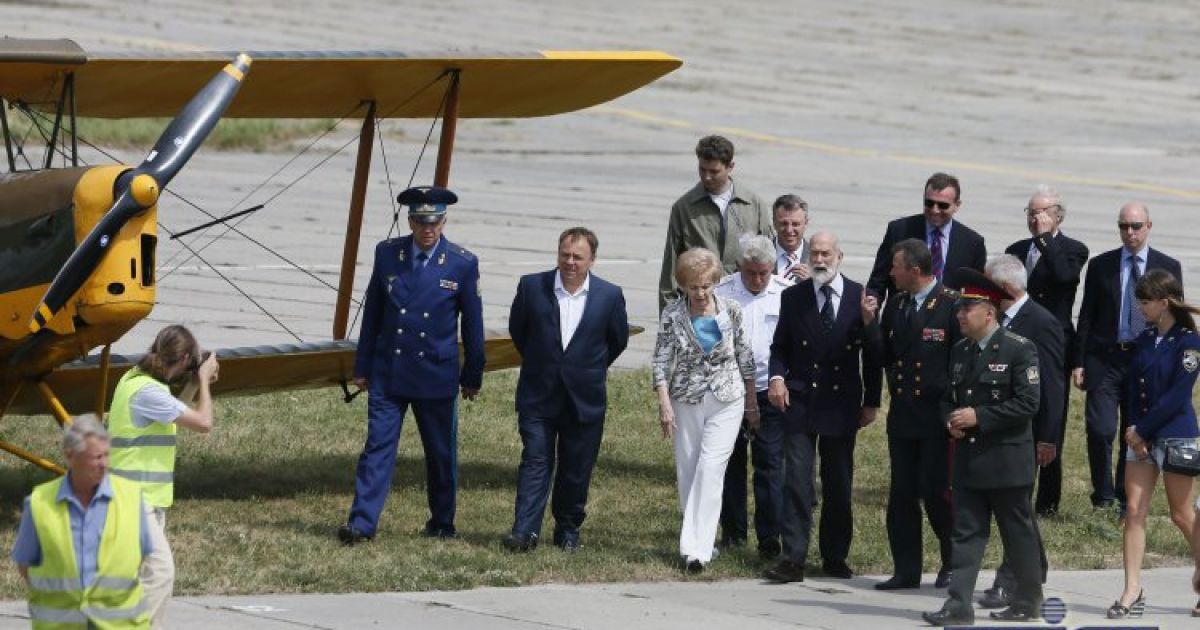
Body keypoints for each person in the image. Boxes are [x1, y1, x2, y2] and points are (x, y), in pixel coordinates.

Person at [340, 185, 485, 544]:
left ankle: (442, 521)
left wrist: (472, 375)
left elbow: (473, 325)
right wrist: (363, 365)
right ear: (410, 220)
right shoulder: (388, 254)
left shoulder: (461, 263)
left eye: (434, 221)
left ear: (444, 220)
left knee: (440, 453)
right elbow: (373, 311)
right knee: (377, 447)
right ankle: (361, 524)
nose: (428, 229)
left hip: (435, 373)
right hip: (390, 371)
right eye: (421, 221)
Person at [923, 268, 1043, 627]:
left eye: (966, 309)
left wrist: (979, 417)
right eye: (959, 309)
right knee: (966, 534)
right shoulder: (960, 351)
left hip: (1007, 461)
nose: (959, 315)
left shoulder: (1019, 349)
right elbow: (947, 399)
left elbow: (1028, 403)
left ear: (989, 312)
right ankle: (959, 606)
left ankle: (1027, 600)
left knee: (1017, 535)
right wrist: (951, 422)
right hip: (970, 463)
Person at [763, 231, 882, 583]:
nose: (819, 260)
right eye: (814, 253)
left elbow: (874, 357)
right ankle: (793, 557)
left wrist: (872, 400)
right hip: (799, 402)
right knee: (797, 482)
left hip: (840, 403)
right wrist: (776, 379)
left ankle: (835, 555)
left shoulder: (860, 297)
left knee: (838, 483)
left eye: (826, 253)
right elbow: (779, 347)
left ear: (839, 257)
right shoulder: (795, 297)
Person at [503, 227, 629, 552]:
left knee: (575, 469)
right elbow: (520, 331)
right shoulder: (532, 287)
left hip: (584, 400)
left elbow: (616, 341)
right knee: (535, 461)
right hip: (539, 395)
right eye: (565, 255)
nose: (570, 262)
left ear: (592, 260)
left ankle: (568, 528)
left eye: (578, 257)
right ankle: (524, 530)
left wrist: (583, 367)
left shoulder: (609, 296)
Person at [107, 324, 218, 628]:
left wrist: (195, 383)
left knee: (133, 579)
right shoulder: (148, 392)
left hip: (139, 499)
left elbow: (176, 410)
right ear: (183, 359)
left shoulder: (135, 381)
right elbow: (203, 422)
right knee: (160, 572)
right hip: (133, 499)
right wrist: (205, 382)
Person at [652, 247, 756, 573]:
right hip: (686, 399)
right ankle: (698, 539)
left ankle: (695, 550)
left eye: (705, 285)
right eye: (693, 286)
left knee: (711, 470)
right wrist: (665, 404)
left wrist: (752, 402)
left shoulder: (732, 310)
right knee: (688, 469)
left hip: (727, 399)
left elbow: (745, 357)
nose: (699, 293)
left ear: (715, 283)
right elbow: (660, 361)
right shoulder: (673, 314)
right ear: (683, 286)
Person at [1074, 202, 1182, 512]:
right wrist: (1079, 361)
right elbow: (1087, 316)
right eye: (1124, 226)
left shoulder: (1167, 266)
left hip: (1144, 361)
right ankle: (1102, 495)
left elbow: (1175, 317)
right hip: (1105, 359)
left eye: (1135, 226)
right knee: (1100, 428)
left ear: (1149, 226)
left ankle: (1124, 495)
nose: (1130, 232)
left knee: (1132, 431)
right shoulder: (1101, 265)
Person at [1106, 269, 1200, 620]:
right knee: (1133, 511)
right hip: (1140, 437)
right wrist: (1133, 430)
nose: (1140, 307)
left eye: (1145, 302)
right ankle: (1132, 590)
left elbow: (1177, 396)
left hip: (1175, 434)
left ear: (1164, 303)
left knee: (1181, 514)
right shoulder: (1144, 339)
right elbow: (1135, 389)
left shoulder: (1190, 343)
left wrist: (1142, 430)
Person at [978, 254, 1066, 609]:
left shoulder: (1041, 322)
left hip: (1029, 433)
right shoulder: (997, 321)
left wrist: (1049, 437)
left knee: (1014, 509)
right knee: (1017, 509)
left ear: (1004, 288)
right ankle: (1035, 568)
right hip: (1002, 429)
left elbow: (1054, 385)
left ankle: (1011, 579)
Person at [12, 415, 153, 628]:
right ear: (70, 456)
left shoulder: (132, 498)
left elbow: (142, 555)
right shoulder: (39, 503)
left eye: (107, 455)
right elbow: (25, 565)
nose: (104, 464)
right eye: (96, 457)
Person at [875, 238, 958, 591]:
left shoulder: (951, 306)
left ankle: (954, 562)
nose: (890, 272)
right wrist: (867, 324)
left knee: (937, 492)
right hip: (904, 416)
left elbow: (962, 362)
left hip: (936, 419)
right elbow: (885, 353)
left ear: (914, 270)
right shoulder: (896, 305)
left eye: (895, 266)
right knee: (903, 495)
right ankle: (906, 569)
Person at [1004, 185, 1088, 517]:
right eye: (1029, 212)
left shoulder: (1073, 249)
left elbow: (1065, 276)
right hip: (1018, 341)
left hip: (1053, 344)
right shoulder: (1016, 249)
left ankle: (1048, 502)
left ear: (1057, 215)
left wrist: (1044, 239)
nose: (1033, 218)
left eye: (1040, 212)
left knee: (1051, 415)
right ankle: (1014, 492)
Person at [714, 235, 790, 558]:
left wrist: (781, 379)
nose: (758, 280)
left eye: (764, 273)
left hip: (771, 392)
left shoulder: (787, 294)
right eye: (751, 273)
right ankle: (733, 533)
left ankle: (770, 537)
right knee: (731, 464)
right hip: (730, 392)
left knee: (770, 464)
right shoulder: (721, 293)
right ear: (739, 267)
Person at [658, 135, 772, 310]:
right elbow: (670, 268)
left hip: (745, 304)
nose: (707, 177)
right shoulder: (684, 208)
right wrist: (668, 316)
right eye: (702, 169)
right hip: (700, 305)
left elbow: (769, 256)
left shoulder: (753, 204)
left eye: (714, 171)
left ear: (730, 167)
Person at [866, 172, 987, 303]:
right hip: (901, 317)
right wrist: (870, 310)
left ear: (957, 205)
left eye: (943, 205)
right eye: (929, 203)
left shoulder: (973, 243)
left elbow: (976, 295)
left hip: (946, 320)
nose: (935, 210)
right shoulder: (899, 230)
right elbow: (878, 281)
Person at [771, 194, 810, 284]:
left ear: (806, 223)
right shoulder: (758, 255)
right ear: (774, 222)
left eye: (795, 224)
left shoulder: (818, 259)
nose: (789, 230)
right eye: (784, 223)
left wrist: (815, 284)